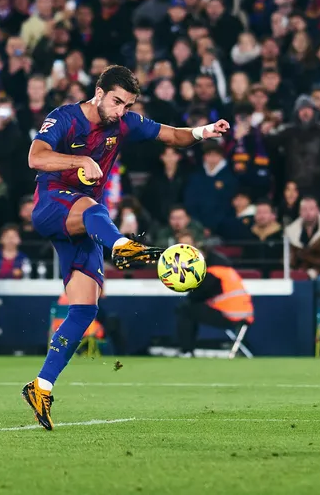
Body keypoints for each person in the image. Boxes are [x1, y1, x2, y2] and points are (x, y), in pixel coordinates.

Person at [22, 65, 228, 430]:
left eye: (127, 104)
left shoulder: (125, 123)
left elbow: (172, 136)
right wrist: (80, 160)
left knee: (85, 308)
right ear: (99, 92)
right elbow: (35, 157)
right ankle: (122, 244)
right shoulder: (64, 118)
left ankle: (41, 386)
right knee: (92, 207)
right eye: (117, 101)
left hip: (85, 224)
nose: (121, 111)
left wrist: (204, 132)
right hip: (53, 206)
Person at [176, 249, 253, 356]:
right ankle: (188, 350)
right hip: (245, 316)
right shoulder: (227, 271)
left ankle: (186, 351)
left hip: (230, 316)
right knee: (189, 309)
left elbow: (196, 295)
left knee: (185, 309)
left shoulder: (213, 272)